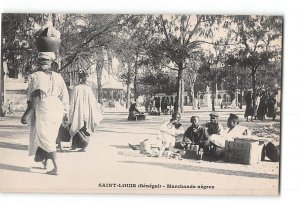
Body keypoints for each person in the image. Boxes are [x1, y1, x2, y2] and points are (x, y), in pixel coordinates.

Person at [21, 51, 69, 176]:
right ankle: (45, 163)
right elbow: (65, 96)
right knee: (49, 136)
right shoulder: (58, 77)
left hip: (45, 108)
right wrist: (65, 112)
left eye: (44, 60)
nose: (43, 63)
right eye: (42, 60)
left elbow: (35, 97)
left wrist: (26, 114)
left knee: (45, 137)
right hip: (57, 108)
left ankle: (56, 168)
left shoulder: (36, 76)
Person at [69, 69, 103, 152]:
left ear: (79, 79)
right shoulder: (88, 89)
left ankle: (75, 145)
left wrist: (71, 112)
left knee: (77, 126)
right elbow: (93, 102)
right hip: (87, 112)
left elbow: (73, 101)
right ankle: (84, 145)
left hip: (78, 111)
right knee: (85, 128)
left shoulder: (76, 88)